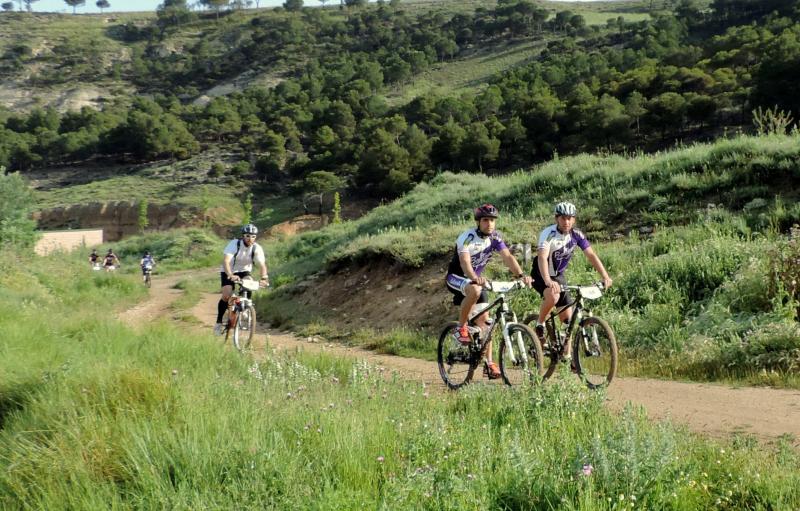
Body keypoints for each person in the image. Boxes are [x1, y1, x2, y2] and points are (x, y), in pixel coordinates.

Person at [445, 203, 532, 379]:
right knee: (476, 291)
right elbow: (465, 262)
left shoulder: (496, 238)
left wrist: (521, 275)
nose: (489, 224)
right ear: (478, 221)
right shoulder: (467, 237)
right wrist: (474, 277)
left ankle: (489, 363)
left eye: (492, 220)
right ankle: (461, 328)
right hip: (456, 277)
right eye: (485, 220)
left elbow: (508, 256)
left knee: (486, 323)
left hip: (475, 281)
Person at [531, 202, 612, 360]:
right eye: (563, 218)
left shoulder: (577, 235)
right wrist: (548, 281)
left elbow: (591, 255)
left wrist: (605, 276)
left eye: (570, 218)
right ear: (557, 218)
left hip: (558, 275)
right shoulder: (548, 233)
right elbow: (542, 257)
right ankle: (540, 324)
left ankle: (568, 358)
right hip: (541, 273)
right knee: (553, 296)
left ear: (574, 220)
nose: (566, 221)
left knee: (567, 321)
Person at [214, 224, 269, 335]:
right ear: (243, 236)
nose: (250, 239)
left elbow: (262, 265)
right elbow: (226, 260)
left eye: (253, 236)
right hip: (228, 270)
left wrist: (264, 278)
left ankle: (244, 308)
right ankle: (218, 322)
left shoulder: (256, 248)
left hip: (244, 271)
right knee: (226, 295)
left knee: (249, 283)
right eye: (247, 236)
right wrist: (230, 274)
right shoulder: (234, 244)